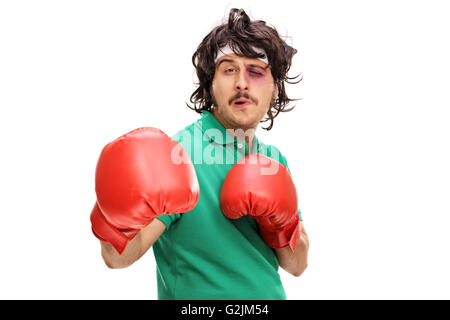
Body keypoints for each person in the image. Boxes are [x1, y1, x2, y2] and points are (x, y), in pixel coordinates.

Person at [90, 8, 310, 300]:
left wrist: (282, 223)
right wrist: (115, 220)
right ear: (211, 84)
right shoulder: (179, 153)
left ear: (274, 87)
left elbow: (297, 265)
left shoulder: (273, 159)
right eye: (229, 69)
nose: (242, 82)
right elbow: (119, 258)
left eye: (255, 71)